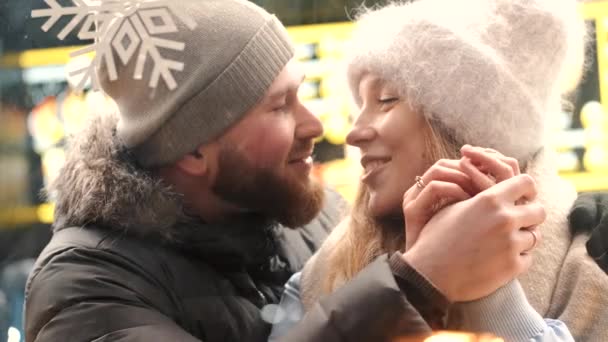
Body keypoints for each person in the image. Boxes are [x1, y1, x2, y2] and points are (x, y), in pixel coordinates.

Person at [22, 0, 608, 341]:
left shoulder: (305, 220)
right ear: (194, 149)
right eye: (279, 106)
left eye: (386, 100)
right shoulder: (83, 287)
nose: (328, 128)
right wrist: (421, 280)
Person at [273, 0, 608, 341]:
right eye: (360, 105)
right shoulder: (315, 277)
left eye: (386, 100)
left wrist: (494, 300)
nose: (353, 133)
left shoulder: (591, 267)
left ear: (467, 131)